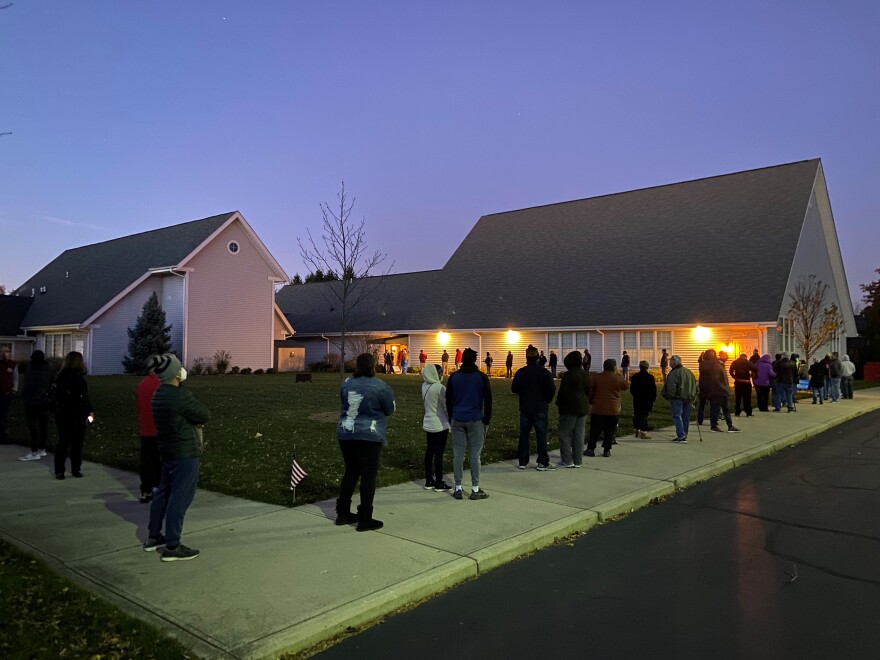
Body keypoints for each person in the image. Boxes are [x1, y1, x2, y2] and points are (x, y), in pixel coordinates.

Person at [144, 354, 210, 560]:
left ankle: (154, 536)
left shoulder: (158, 394)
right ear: (174, 373)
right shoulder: (179, 396)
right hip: (184, 452)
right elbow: (203, 414)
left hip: (167, 450)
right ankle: (173, 546)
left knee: (163, 493)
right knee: (179, 498)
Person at [334, 353, 395, 531]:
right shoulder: (380, 386)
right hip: (370, 433)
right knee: (369, 475)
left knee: (351, 472)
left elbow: (343, 402)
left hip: (346, 432)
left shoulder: (346, 383)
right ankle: (365, 518)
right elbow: (389, 409)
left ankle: (343, 513)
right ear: (373, 366)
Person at [445, 348, 492, 500]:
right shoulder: (481, 377)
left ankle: (458, 488)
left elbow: (448, 399)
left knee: (458, 454)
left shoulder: (454, 377)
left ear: (462, 359)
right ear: (475, 360)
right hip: (475, 419)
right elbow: (488, 399)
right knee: (475, 455)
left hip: (458, 418)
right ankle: (475, 488)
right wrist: (487, 419)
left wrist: (452, 416)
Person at [512, 345, 557, 470]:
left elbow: (514, 388)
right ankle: (542, 461)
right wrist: (547, 400)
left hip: (525, 407)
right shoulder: (544, 373)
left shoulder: (521, 372)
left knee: (524, 435)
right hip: (540, 407)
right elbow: (551, 389)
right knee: (541, 435)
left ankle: (522, 461)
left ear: (526, 358)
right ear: (538, 357)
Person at [53, 351, 94, 479]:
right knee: (75, 442)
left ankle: (61, 470)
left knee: (64, 442)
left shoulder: (62, 376)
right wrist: (89, 410)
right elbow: (82, 395)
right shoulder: (75, 376)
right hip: (74, 413)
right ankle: (74, 468)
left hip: (65, 413)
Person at [586, 359, 629, 457]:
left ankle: (591, 449)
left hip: (598, 408)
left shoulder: (596, 377)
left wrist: (590, 400)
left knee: (594, 430)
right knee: (610, 431)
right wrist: (618, 373)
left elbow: (590, 390)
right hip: (613, 409)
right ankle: (607, 450)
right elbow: (626, 386)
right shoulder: (617, 378)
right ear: (614, 367)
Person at [555, 351, 589, 467]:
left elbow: (563, 393)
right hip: (583, 407)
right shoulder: (585, 374)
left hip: (569, 408)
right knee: (579, 434)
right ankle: (577, 460)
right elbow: (589, 391)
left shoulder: (568, 375)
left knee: (565, 433)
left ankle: (567, 460)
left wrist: (559, 404)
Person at [135, 361, 162, 503]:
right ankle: (159, 487)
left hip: (146, 430)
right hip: (161, 430)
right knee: (161, 462)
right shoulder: (163, 385)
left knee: (147, 462)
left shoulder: (141, 385)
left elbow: (139, 408)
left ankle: (146, 490)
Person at [422, 364, 451, 491]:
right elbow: (445, 406)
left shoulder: (424, 386)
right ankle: (439, 481)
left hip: (428, 422)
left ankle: (429, 479)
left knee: (430, 451)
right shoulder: (440, 388)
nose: (441, 375)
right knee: (439, 454)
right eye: (440, 373)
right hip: (440, 423)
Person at [19, 350, 51, 461]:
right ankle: (42, 448)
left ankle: (34, 451)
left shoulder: (30, 369)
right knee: (43, 426)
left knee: (34, 427)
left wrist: (25, 396)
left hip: (32, 401)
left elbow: (28, 385)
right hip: (44, 400)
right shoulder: (47, 369)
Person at [700, 349, 740, 432]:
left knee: (715, 409)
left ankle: (716, 425)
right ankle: (727, 425)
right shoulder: (715, 366)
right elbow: (717, 379)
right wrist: (724, 388)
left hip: (711, 390)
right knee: (723, 409)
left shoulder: (704, 365)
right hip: (719, 390)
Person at [661, 355, 697, 443]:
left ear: (674, 363)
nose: (669, 364)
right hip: (689, 397)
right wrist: (694, 395)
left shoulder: (674, 373)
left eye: (671, 362)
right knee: (685, 417)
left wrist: (669, 396)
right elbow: (695, 385)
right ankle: (684, 434)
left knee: (677, 416)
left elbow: (671, 387)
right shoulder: (689, 372)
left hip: (677, 397)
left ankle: (681, 436)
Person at [629, 360, 656, 439]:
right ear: (647, 367)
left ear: (640, 367)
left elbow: (632, 389)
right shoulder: (650, 377)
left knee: (637, 414)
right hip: (647, 399)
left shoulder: (635, 376)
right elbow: (653, 390)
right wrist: (653, 398)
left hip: (637, 398)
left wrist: (635, 395)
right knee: (644, 415)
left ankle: (636, 429)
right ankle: (643, 432)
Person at [0, 347, 18, 445]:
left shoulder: (12, 364)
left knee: (4, 416)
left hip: (7, 394)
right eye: (4, 351)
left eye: (7, 351)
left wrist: (14, 390)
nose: (6, 353)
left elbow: (15, 378)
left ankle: (3, 437)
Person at [729, 353, 756, 417]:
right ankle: (748, 412)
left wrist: (734, 377)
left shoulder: (735, 362)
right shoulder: (747, 362)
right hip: (746, 382)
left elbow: (731, 371)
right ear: (745, 357)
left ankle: (737, 412)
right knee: (747, 398)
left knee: (738, 397)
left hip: (738, 382)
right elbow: (755, 369)